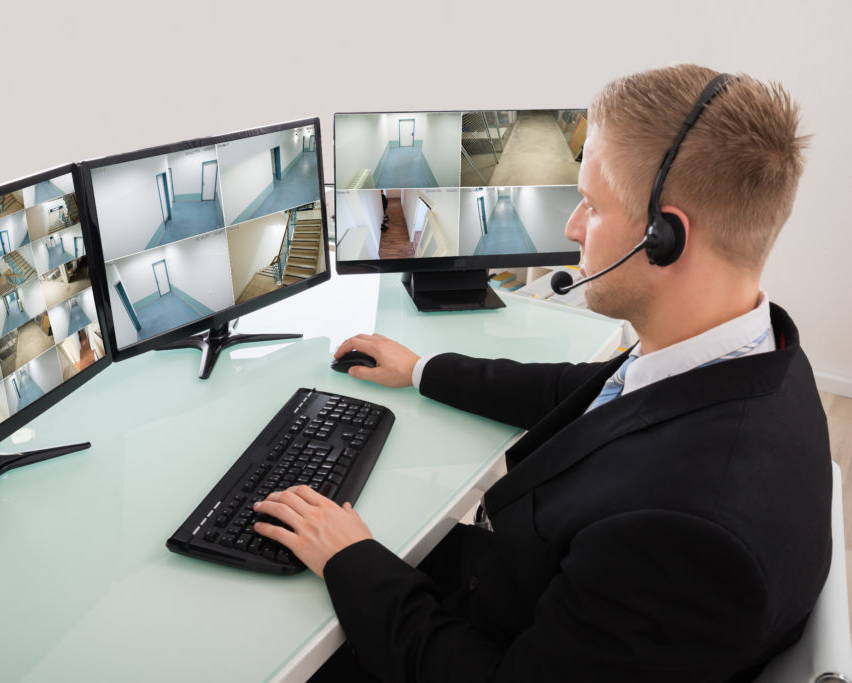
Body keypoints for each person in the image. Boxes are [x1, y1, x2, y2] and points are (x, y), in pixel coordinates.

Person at [253, 64, 832, 682]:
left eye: (591, 205)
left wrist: (352, 559)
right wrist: (422, 369)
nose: (571, 227)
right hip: (533, 590)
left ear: (664, 238)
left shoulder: (681, 537)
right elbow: (587, 394)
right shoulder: (751, 348)